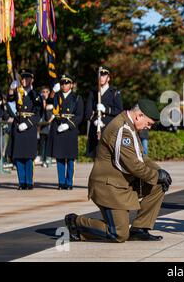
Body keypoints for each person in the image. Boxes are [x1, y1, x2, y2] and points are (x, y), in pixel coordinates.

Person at [64, 99, 172, 242]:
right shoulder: (122, 129)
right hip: (108, 187)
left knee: (159, 184)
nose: (149, 127)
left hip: (122, 184)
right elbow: (134, 166)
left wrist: (159, 171)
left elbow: (141, 157)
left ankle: (139, 228)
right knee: (119, 234)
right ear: (139, 116)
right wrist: (157, 175)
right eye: (149, 123)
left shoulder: (129, 126)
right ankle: (76, 222)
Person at [46, 74, 84, 190]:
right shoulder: (56, 96)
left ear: (71, 85)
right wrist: (53, 91)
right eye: (62, 83)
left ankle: (69, 182)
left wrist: (68, 125)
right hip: (58, 127)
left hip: (70, 130)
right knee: (59, 157)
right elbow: (48, 104)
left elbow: (79, 116)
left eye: (66, 83)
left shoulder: (76, 97)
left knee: (70, 158)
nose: (64, 85)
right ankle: (61, 182)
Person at [7, 70, 42, 190]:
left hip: (29, 127)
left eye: (27, 78)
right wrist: (11, 89)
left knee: (28, 156)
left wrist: (28, 124)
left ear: (32, 80)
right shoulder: (18, 92)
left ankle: (29, 182)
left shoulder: (35, 94)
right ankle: (21, 182)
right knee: (18, 156)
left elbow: (38, 113)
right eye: (23, 78)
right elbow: (9, 101)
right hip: (18, 124)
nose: (24, 80)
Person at [85, 66, 123, 158]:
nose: (101, 78)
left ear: (108, 78)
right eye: (100, 76)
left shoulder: (114, 92)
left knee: (109, 156)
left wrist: (105, 109)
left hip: (109, 127)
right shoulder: (93, 92)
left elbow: (119, 110)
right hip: (96, 126)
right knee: (97, 157)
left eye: (104, 75)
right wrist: (94, 119)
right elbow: (87, 112)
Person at [37, 86, 53, 167]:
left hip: (50, 125)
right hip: (43, 125)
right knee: (42, 143)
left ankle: (48, 159)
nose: (45, 93)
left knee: (49, 143)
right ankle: (43, 159)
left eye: (47, 91)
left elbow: (52, 114)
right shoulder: (40, 101)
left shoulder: (52, 101)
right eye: (43, 91)